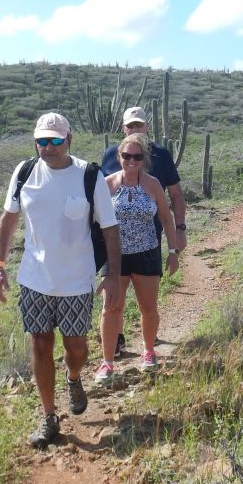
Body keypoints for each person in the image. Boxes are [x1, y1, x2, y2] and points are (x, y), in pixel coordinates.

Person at [0, 112, 121, 449]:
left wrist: (112, 274)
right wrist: (0, 264)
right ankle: (49, 416)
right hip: (35, 279)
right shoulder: (25, 173)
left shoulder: (89, 175)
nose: (47, 147)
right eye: (42, 141)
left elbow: (109, 229)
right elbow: (8, 219)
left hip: (77, 281)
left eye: (55, 140)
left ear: (69, 139)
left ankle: (74, 376)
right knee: (40, 344)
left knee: (75, 349)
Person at [100, 106, 187, 356]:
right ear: (123, 127)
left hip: (149, 239)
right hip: (114, 245)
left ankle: (148, 343)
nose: (135, 129)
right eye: (131, 125)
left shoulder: (161, 155)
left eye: (139, 124)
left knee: (146, 302)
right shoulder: (110, 155)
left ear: (147, 126)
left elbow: (176, 195)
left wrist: (179, 230)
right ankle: (114, 343)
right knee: (112, 301)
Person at [95, 133, 178, 384]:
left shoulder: (152, 185)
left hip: (146, 253)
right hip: (115, 256)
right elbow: (93, 222)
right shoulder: (106, 184)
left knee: (148, 307)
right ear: (119, 156)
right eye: (126, 156)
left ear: (144, 160)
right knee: (111, 308)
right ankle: (107, 362)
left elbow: (166, 218)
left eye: (137, 156)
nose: (131, 160)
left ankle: (149, 351)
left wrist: (173, 252)